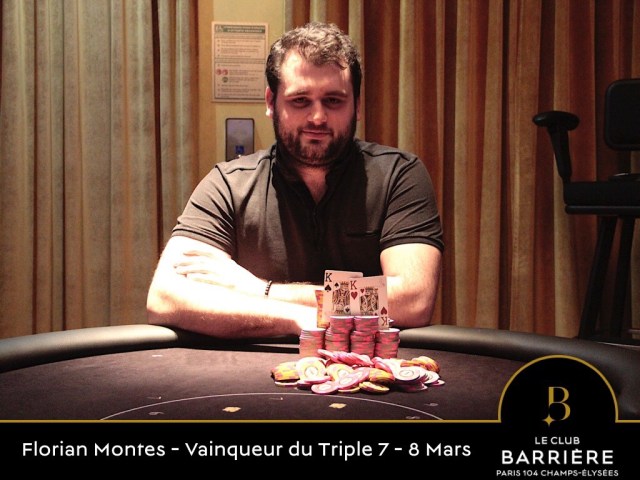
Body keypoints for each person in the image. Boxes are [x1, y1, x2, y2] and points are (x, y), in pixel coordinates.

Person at [146, 22, 444, 339]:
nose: (317, 117)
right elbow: (166, 297)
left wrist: (260, 290)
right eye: (300, 100)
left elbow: (412, 299)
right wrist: (299, 317)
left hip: (365, 366)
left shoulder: (400, 175)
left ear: (357, 106)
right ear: (271, 103)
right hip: (255, 369)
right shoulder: (228, 185)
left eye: (333, 100)